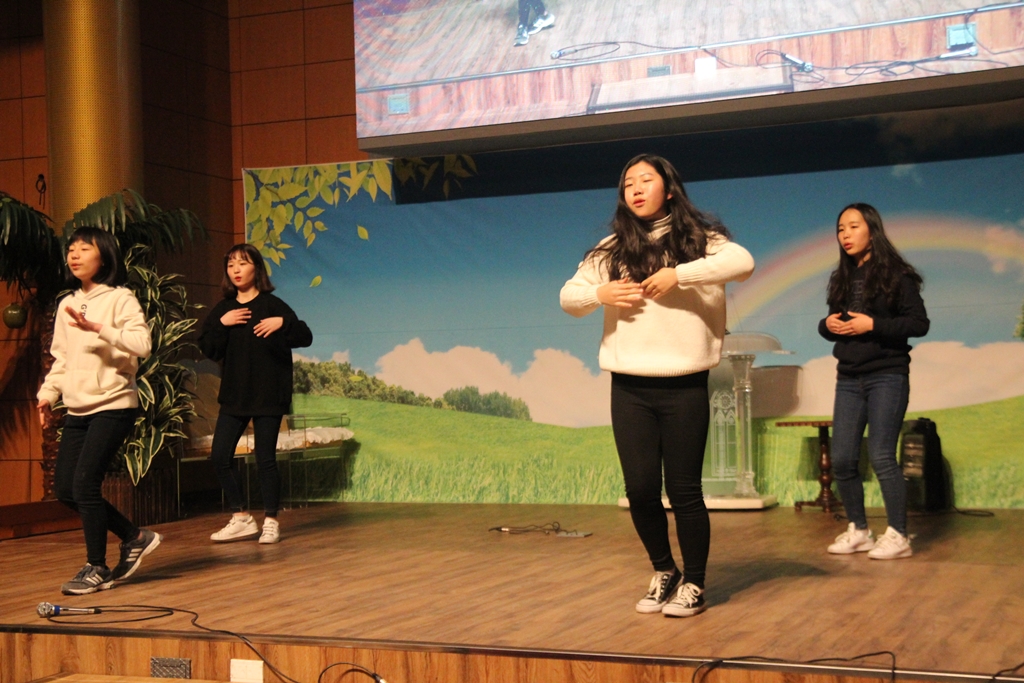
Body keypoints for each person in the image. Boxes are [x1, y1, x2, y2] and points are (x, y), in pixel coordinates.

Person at [560, 154, 754, 617]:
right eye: (628, 182)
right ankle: (664, 569)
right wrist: (600, 293)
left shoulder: (699, 239)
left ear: (668, 189)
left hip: (684, 384)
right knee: (641, 489)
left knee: (684, 490)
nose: (636, 188)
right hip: (629, 386)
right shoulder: (611, 248)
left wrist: (678, 273)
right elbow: (569, 296)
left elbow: (743, 262)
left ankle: (695, 582)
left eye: (646, 180)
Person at [37, 227, 160, 596]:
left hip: (114, 403)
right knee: (65, 489)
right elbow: (62, 358)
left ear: (103, 256)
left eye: (84, 248)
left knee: (85, 485)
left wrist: (99, 328)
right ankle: (134, 536)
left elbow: (142, 343)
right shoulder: (67, 303)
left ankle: (97, 567)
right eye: (71, 249)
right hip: (78, 407)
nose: (74, 255)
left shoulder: (120, 298)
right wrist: (48, 394)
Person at [819, 203, 929, 559]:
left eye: (853, 226)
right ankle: (859, 530)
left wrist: (873, 325)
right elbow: (834, 321)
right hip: (849, 377)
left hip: (887, 375)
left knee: (882, 455)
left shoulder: (897, 275)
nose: (846, 234)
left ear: (872, 230)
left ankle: (899, 534)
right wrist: (827, 325)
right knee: (842, 459)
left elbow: (919, 323)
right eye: (841, 229)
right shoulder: (842, 277)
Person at [199, 244, 312, 545]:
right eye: (230, 264)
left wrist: (283, 323)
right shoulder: (223, 309)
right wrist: (222, 325)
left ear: (256, 268)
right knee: (220, 456)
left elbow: (305, 336)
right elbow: (208, 347)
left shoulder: (273, 305)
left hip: (268, 395)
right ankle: (241, 517)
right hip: (235, 395)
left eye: (243, 263)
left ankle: (271, 520)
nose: (236, 270)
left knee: (265, 459)